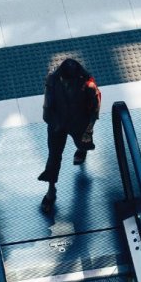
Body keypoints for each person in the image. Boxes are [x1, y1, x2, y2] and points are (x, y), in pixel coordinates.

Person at [37, 58, 101, 213]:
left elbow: (94, 109)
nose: (65, 83)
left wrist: (89, 129)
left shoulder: (87, 85)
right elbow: (48, 104)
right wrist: (52, 121)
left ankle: (82, 149)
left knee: (82, 143)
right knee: (54, 157)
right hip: (58, 123)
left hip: (78, 123)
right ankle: (51, 190)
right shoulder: (53, 80)